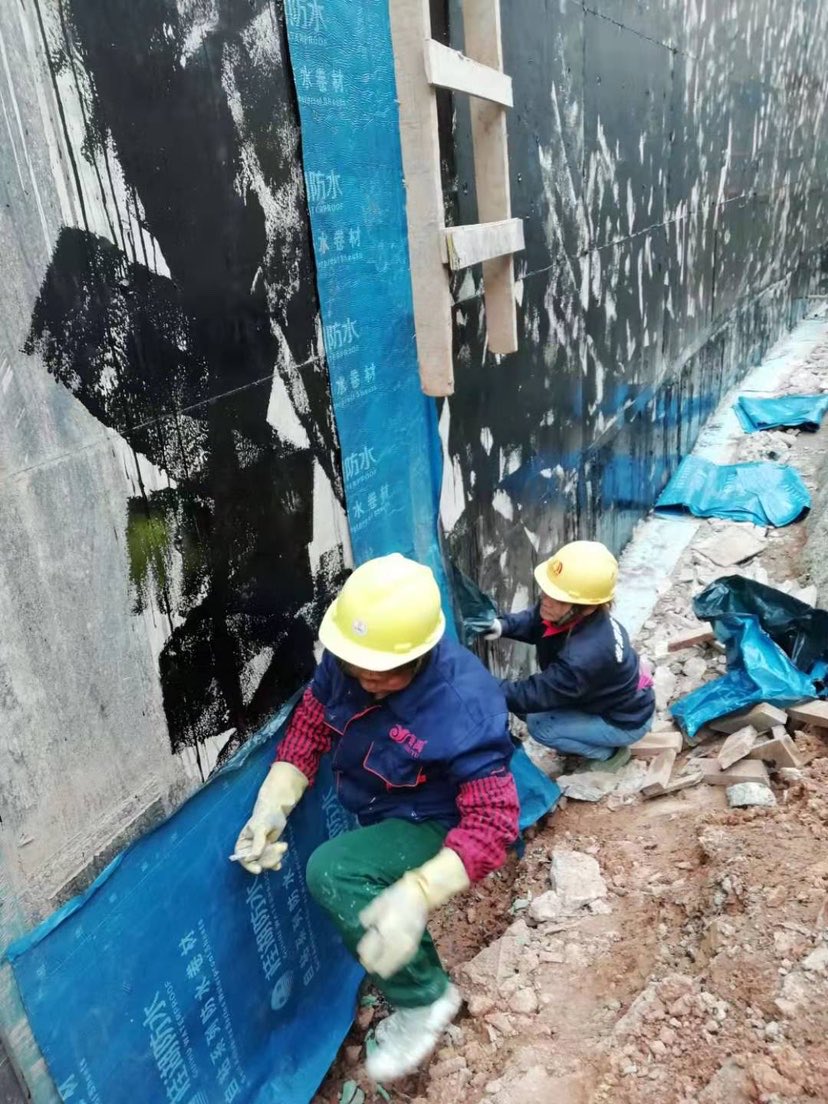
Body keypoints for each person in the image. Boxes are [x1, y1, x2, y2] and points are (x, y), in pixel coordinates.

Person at [234, 553, 519, 1083]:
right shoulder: (352, 658)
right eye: (355, 666)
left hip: (440, 820)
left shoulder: (463, 708)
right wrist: (273, 803)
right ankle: (415, 965)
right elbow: (313, 719)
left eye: (383, 674)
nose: (365, 679)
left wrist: (420, 892)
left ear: (420, 656)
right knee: (375, 886)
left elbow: (494, 823)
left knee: (335, 870)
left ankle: (425, 999)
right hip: (385, 806)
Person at [486, 540, 654, 764]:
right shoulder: (574, 614)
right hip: (609, 699)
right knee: (525, 706)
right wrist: (502, 626)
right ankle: (583, 734)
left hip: (624, 721)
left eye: (557, 598)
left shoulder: (585, 656)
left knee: (540, 725)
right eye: (547, 591)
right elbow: (535, 619)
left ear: (588, 607)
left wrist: (479, 686)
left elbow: (532, 694)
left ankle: (609, 755)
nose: (545, 599)